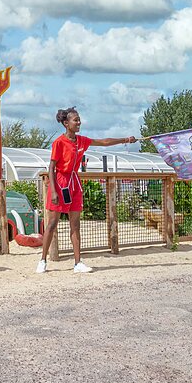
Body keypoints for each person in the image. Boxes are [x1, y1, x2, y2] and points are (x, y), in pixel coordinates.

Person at [38, 107, 137, 274]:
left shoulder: (82, 141)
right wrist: (53, 191)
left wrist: (125, 139)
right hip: (60, 183)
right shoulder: (59, 143)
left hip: (75, 183)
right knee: (52, 224)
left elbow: (104, 142)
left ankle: (78, 263)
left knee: (75, 225)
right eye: (75, 120)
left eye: (79, 120)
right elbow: (52, 167)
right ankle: (42, 260)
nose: (79, 123)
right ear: (66, 123)